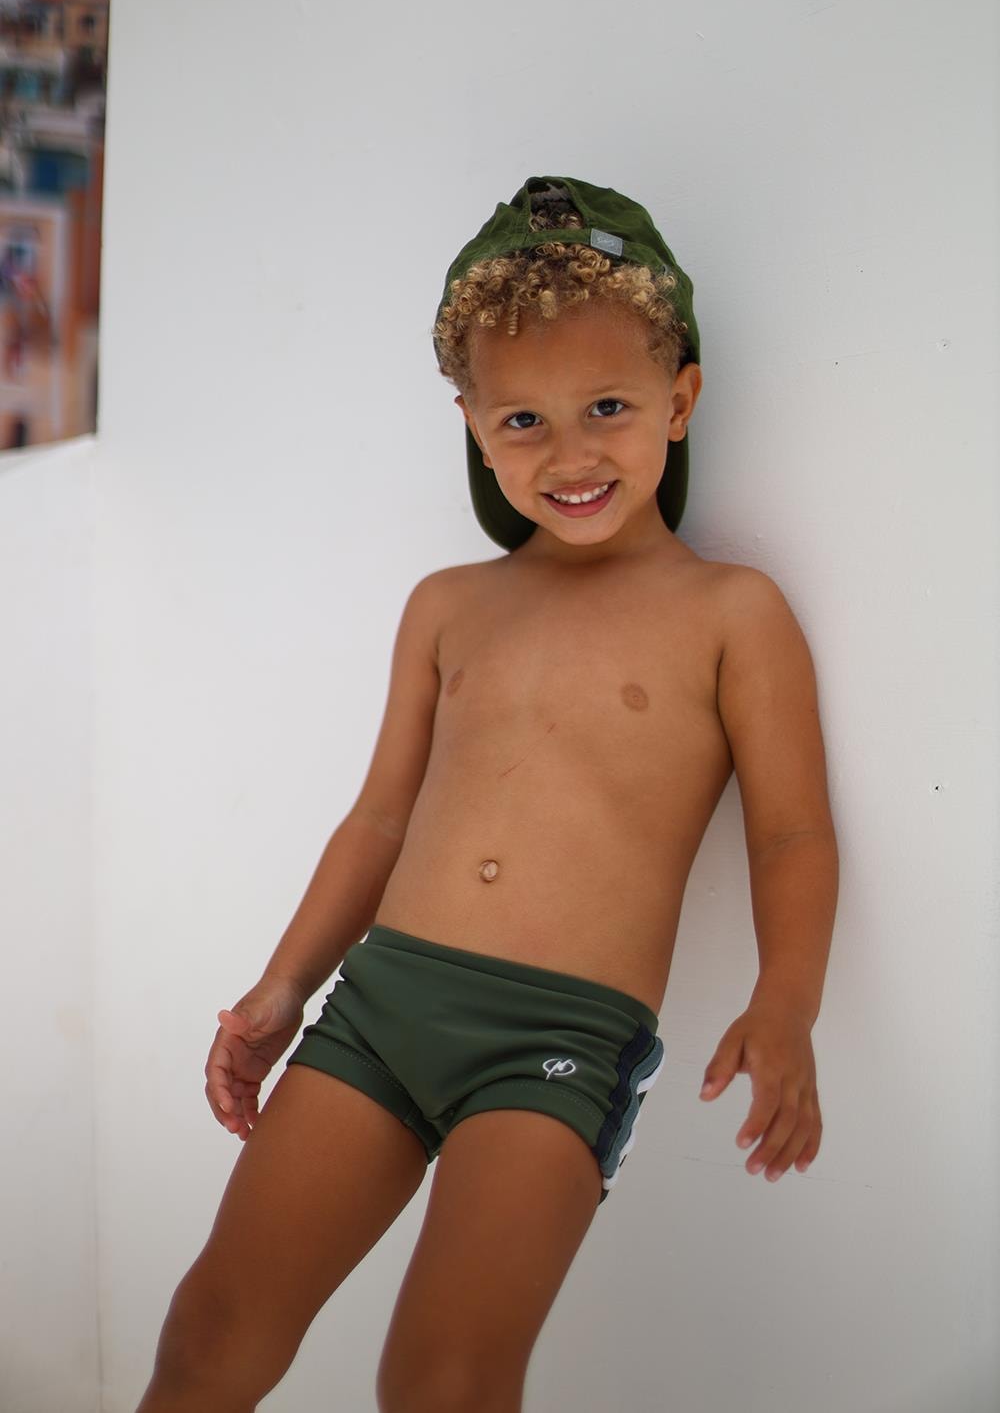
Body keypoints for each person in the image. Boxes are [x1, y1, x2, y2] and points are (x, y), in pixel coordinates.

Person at [136, 174, 839, 1412]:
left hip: (556, 1044)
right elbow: (379, 821)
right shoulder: (448, 607)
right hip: (380, 1009)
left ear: (679, 401)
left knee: (442, 1377)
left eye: (607, 407)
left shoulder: (731, 613)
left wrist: (786, 1005)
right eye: (522, 421)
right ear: (471, 424)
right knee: (211, 1327)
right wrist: (283, 987)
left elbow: (790, 832)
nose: (569, 455)